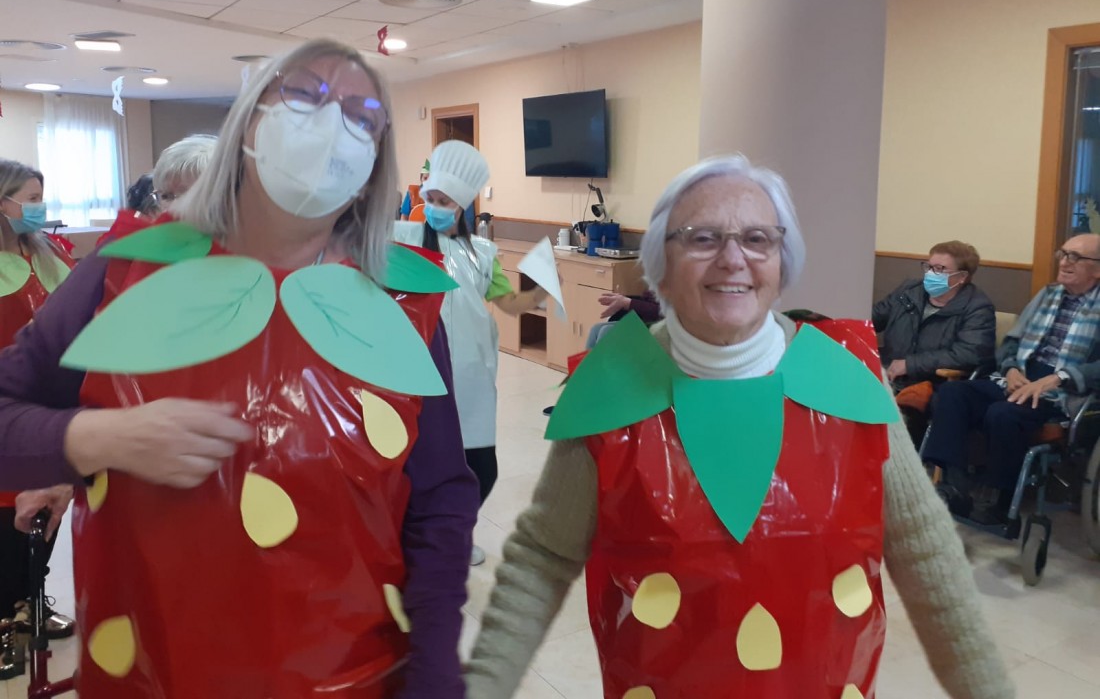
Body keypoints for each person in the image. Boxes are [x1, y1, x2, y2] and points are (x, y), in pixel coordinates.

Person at [0, 38, 478, 697]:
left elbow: (440, 500)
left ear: (374, 165)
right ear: (249, 125)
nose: (331, 123)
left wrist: (436, 668)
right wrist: (95, 438)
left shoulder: (403, 304)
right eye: (304, 95)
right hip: (153, 672)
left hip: (352, 674)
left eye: (362, 116)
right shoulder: (127, 272)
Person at [465, 155, 1014, 699]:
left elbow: (924, 548)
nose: (733, 259)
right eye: (702, 238)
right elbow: (544, 556)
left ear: (781, 263)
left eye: (757, 239)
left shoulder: (847, 377)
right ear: (662, 265)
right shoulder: (609, 390)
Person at [393, 141, 547, 566]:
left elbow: (509, 303)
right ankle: (419, 537)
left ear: (460, 206)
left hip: (474, 372)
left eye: (444, 202)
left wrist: (539, 293)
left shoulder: (482, 252)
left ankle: (455, 532)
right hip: (423, 368)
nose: (435, 208)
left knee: (480, 467)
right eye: (431, 199)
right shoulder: (404, 238)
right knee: (421, 461)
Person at [924, 233, 1100, 527]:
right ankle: (954, 488)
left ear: (1097, 269)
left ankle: (1001, 503)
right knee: (953, 393)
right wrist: (1010, 368)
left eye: (1075, 257)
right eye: (1063, 254)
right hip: (1018, 378)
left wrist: (1059, 378)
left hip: (1061, 393)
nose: (1064, 262)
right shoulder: (1047, 295)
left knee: (1003, 413)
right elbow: (1012, 342)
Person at [0, 159, 77, 680]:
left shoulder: (54, 254)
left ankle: (31, 600)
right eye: (30, 198)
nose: (39, 208)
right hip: (7, 407)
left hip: (51, 407)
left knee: (47, 509)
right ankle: (4, 619)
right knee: (6, 518)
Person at [872, 240, 996, 446]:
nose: (930, 274)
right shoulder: (909, 291)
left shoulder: (977, 307)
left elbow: (968, 354)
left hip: (934, 384)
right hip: (888, 374)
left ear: (962, 277)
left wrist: (911, 364)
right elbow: (872, 319)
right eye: (928, 267)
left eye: (940, 269)